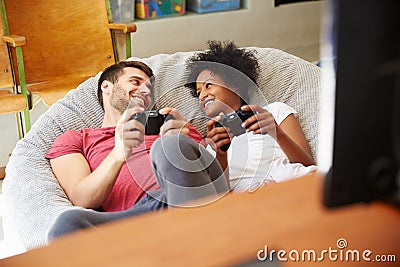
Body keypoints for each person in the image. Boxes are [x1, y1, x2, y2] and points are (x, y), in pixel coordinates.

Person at [45, 60, 229, 240]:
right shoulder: (76, 139)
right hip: (135, 220)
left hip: (182, 199)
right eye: (135, 82)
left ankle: (199, 245)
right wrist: (119, 153)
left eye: (149, 89)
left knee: (168, 148)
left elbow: (216, 184)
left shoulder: (173, 124)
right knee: (67, 224)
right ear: (107, 87)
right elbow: (82, 198)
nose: (145, 91)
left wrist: (215, 151)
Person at [186, 40, 317, 192]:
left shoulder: (274, 112)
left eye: (208, 85)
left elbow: (308, 164)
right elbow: (217, 197)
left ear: (234, 85)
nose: (202, 95)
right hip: (247, 202)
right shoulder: (208, 144)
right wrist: (220, 155)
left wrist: (277, 133)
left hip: (292, 184)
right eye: (198, 92)